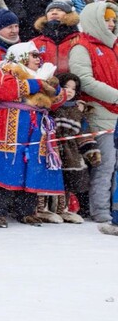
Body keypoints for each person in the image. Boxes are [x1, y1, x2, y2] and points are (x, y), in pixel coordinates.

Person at [0, 43, 66, 227]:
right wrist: (37, 84)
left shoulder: (44, 74)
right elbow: (0, 90)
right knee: (5, 166)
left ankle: (26, 211)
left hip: (35, 129)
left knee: (31, 169)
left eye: (39, 56)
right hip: (9, 126)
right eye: (34, 55)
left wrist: (55, 88)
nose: (39, 59)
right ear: (21, 56)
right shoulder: (6, 69)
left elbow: (58, 101)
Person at [67, 1, 118, 222]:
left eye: (113, 20)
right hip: (99, 111)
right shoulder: (82, 47)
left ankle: (114, 207)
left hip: (115, 111)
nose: (111, 23)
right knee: (105, 164)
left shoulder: (115, 46)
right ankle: (100, 210)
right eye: (106, 19)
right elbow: (85, 81)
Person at [45, 73, 100, 223]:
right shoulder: (50, 106)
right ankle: (44, 209)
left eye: (73, 89)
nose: (69, 91)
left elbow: (84, 132)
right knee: (49, 179)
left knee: (68, 181)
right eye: (65, 87)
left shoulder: (77, 111)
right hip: (52, 148)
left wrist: (91, 150)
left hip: (71, 152)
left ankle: (63, 209)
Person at [30, 1, 81, 76]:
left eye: (59, 10)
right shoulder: (34, 43)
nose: (54, 12)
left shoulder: (80, 39)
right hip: (45, 84)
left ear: (70, 15)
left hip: (73, 84)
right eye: (50, 11)